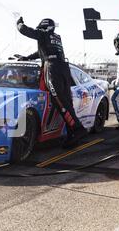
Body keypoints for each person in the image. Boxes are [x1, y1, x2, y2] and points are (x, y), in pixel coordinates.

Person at [17, 17, 88, 148]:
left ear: (43, 26)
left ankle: (77, 129)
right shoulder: (56, 37)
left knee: (59, 100)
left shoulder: (43, 34)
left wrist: (19, 23)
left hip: (53, 68)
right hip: (64, 68)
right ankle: (73, 133)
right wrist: (27, 57)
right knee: (66, 101)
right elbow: (42, 52)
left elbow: (25, 31)